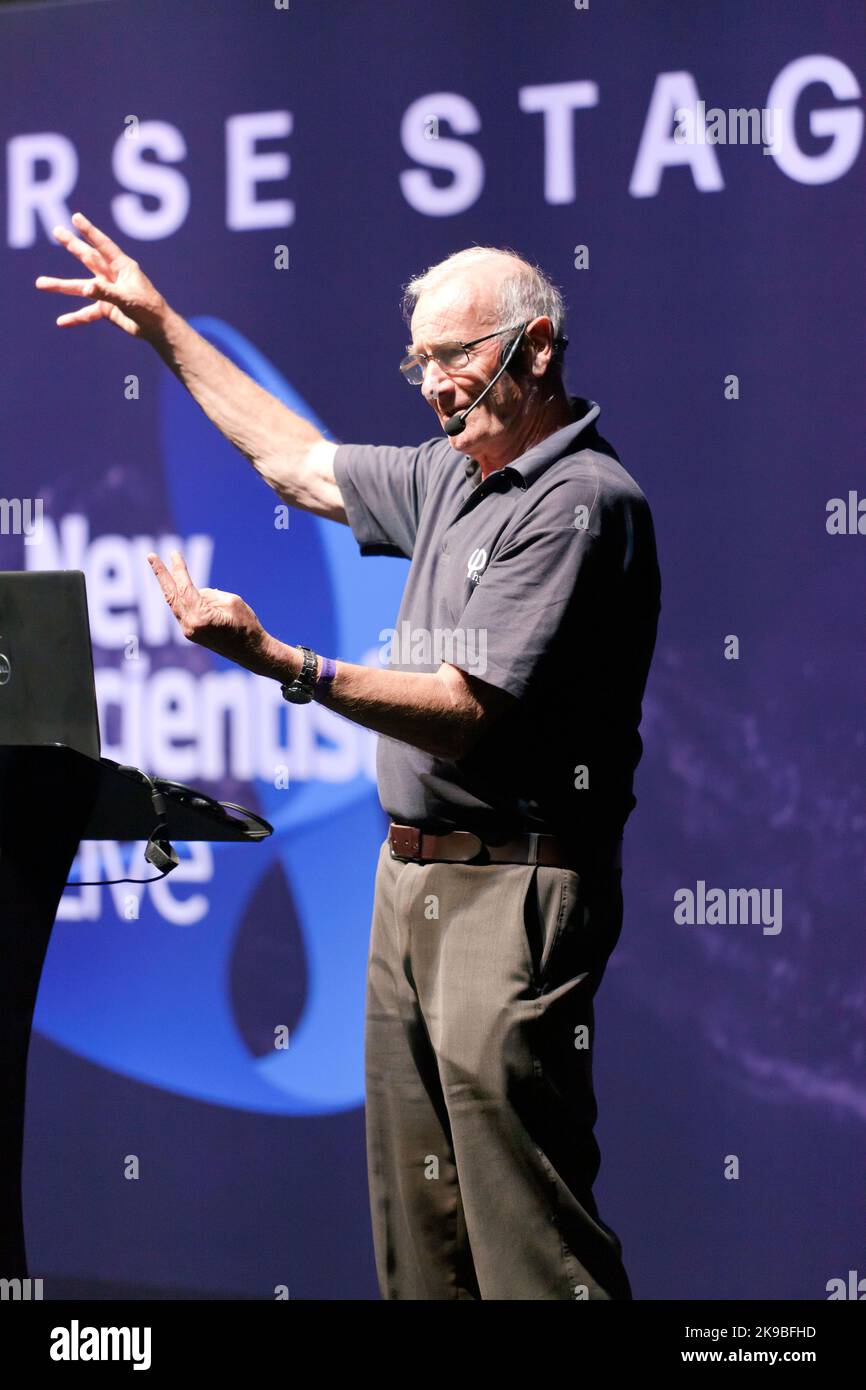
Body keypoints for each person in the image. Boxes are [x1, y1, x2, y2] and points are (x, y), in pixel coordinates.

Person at [36, 217, 661, 1300]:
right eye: (416, 359)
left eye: (456, 357)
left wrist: (285, 663)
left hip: (511, 883)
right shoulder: (452, 474)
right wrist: (161, 328)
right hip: (407, 882)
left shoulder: (577, 503)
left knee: (526, 1241)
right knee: (420, 1242)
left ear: (538, 348)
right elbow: (293, 463)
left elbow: (467, 713)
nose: (431, 384)